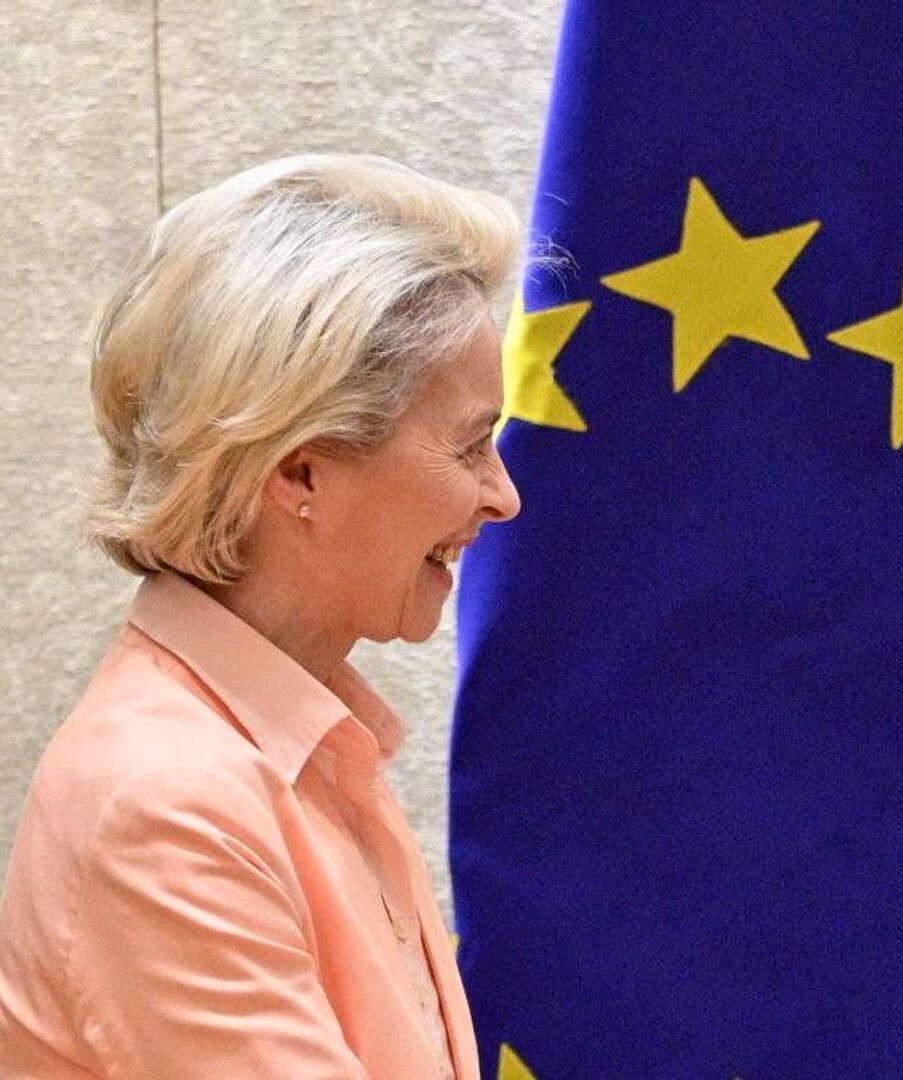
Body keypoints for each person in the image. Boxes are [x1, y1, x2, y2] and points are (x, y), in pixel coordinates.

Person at [0, 155, 523, 1078]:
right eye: (471, 445)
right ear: (300, 472)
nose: (502, 496)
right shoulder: (168, 806)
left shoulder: (298, 744)